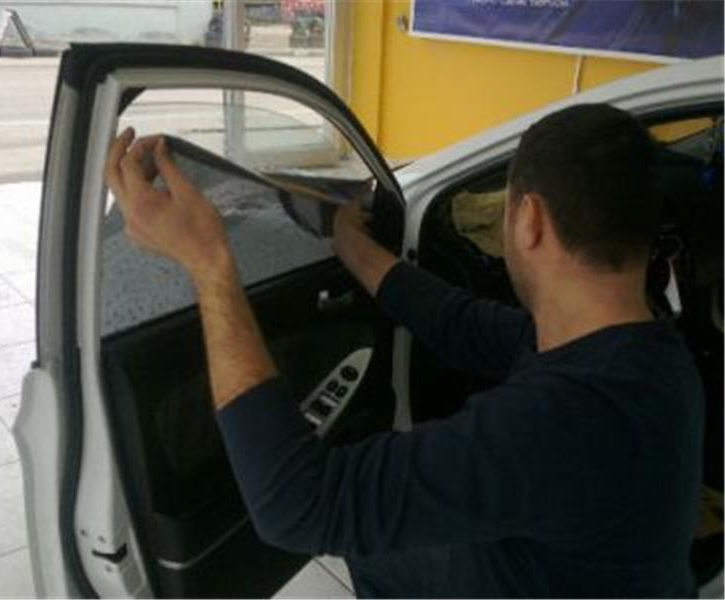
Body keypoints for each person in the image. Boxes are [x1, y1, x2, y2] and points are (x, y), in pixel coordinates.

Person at [105, 103, 704, 598]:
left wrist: (209, 263)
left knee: (377, 544)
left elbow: (296, 506)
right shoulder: (646, 352)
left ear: (528, 220)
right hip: (582, 574)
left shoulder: (560, 421)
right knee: (387, 551)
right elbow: (459, 323)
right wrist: (347, 240)